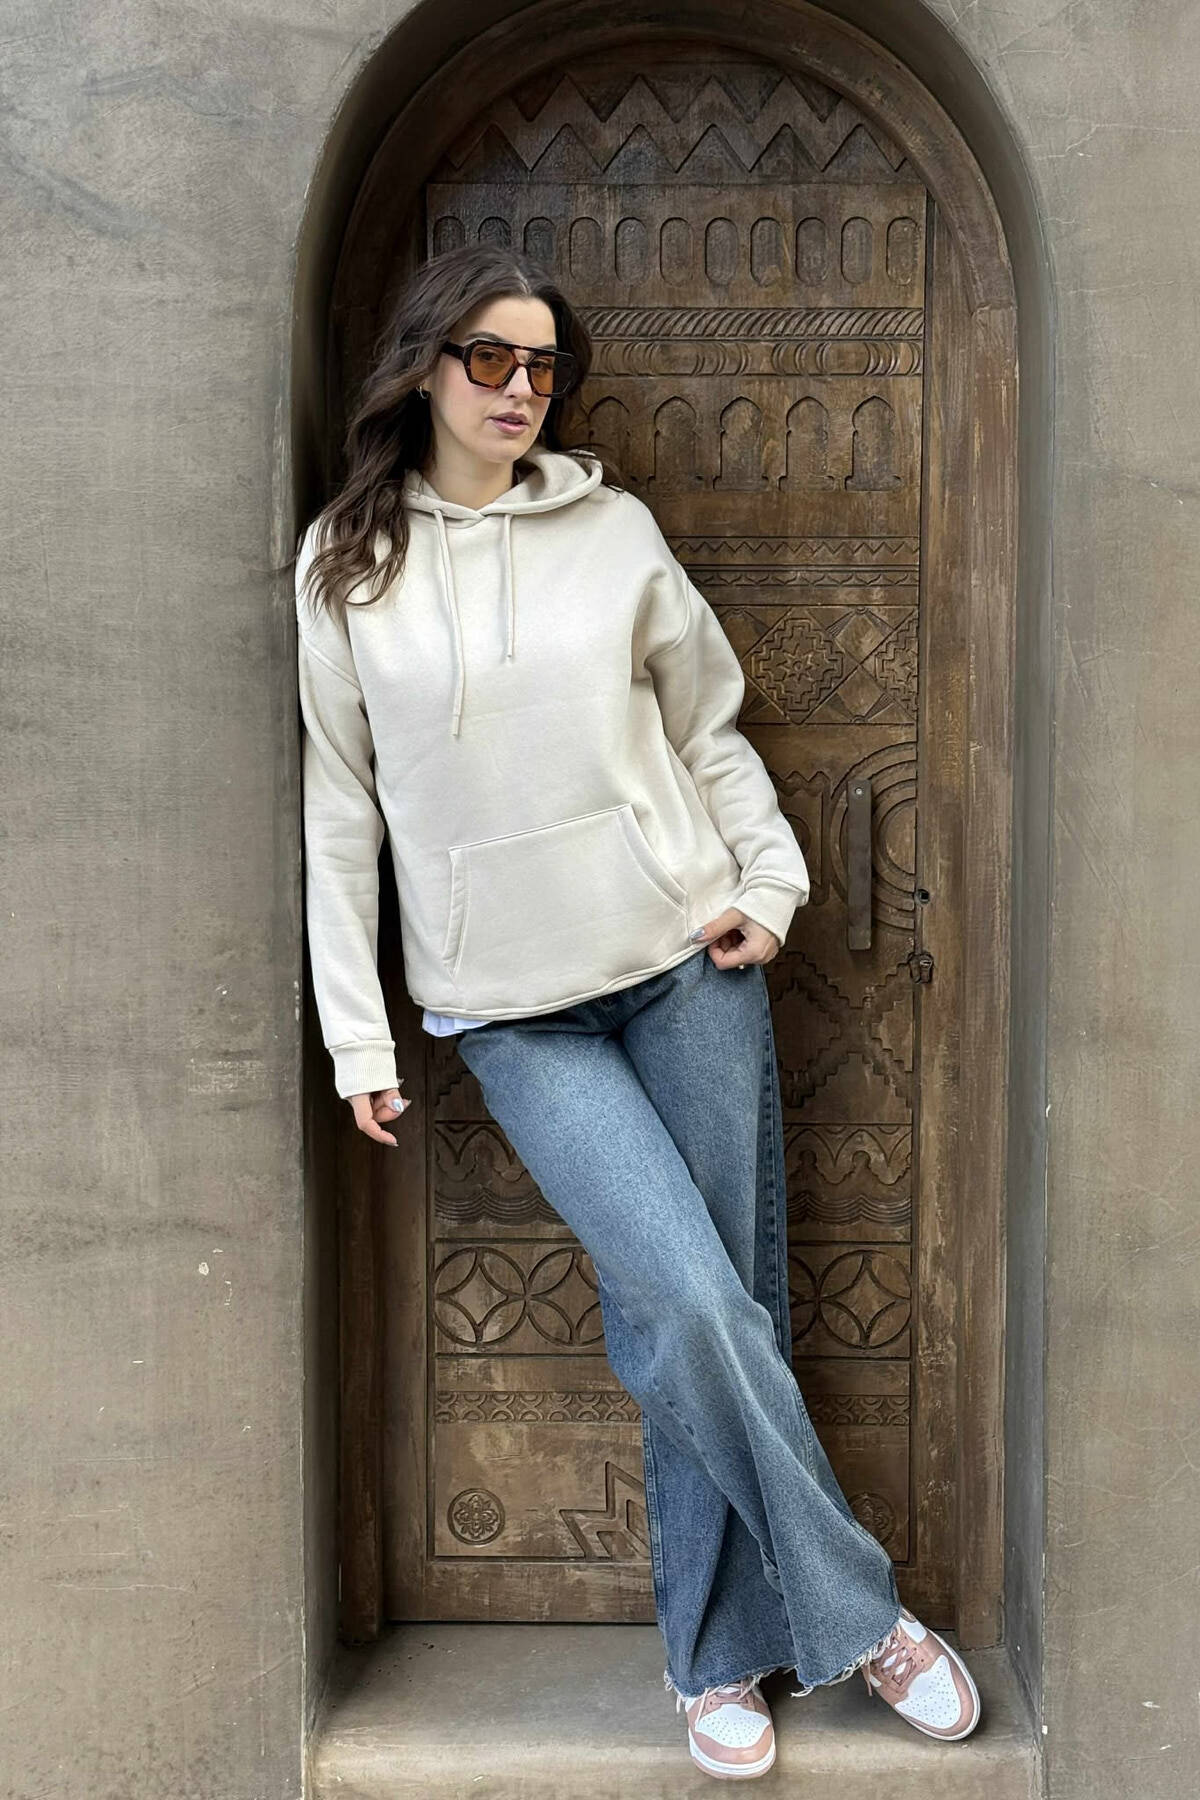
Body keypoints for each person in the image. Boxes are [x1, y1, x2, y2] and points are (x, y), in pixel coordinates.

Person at [292, 242, 981, 1779]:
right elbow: (341, 814)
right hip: (509, 1010)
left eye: (542, 366)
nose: (519, 389)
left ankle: (716, 1660)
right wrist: (357, 1035)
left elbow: (707, 721)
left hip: (684, 963)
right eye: (490, 358)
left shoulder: (612, 532)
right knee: (689, 1306)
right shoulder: (348, 567)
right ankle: (865, 1613)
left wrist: (772, 882)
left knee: (715, 1314)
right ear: (426, 365)